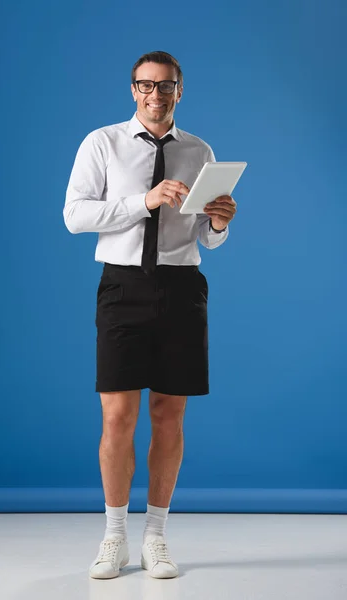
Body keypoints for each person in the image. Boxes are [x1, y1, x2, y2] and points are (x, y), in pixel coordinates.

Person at [63, 50, 237, 579]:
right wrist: (145, 200)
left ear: (180, 90)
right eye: (146, 85)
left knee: (169, 416)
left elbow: (204, 236)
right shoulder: (103, 143)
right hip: (122, 286)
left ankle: (155, 538)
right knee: (118, 415)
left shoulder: (199, 149)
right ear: (132, 89)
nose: (155, 95)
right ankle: (114, 535)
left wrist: (221, 222)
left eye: (166, 86)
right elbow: (75, 215)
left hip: (183, 287)